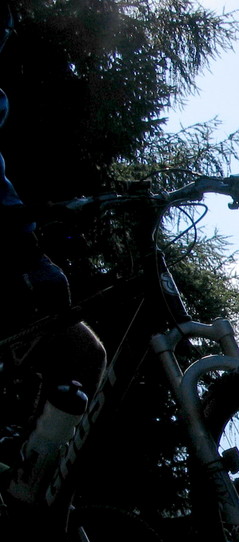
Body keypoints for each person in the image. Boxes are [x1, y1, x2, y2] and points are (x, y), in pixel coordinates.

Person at [0, 5, 106, 489]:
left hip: (14, 253)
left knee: (82, 355)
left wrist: (38, 232)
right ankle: (23, 491)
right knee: (82, 354)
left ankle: (25, 482)